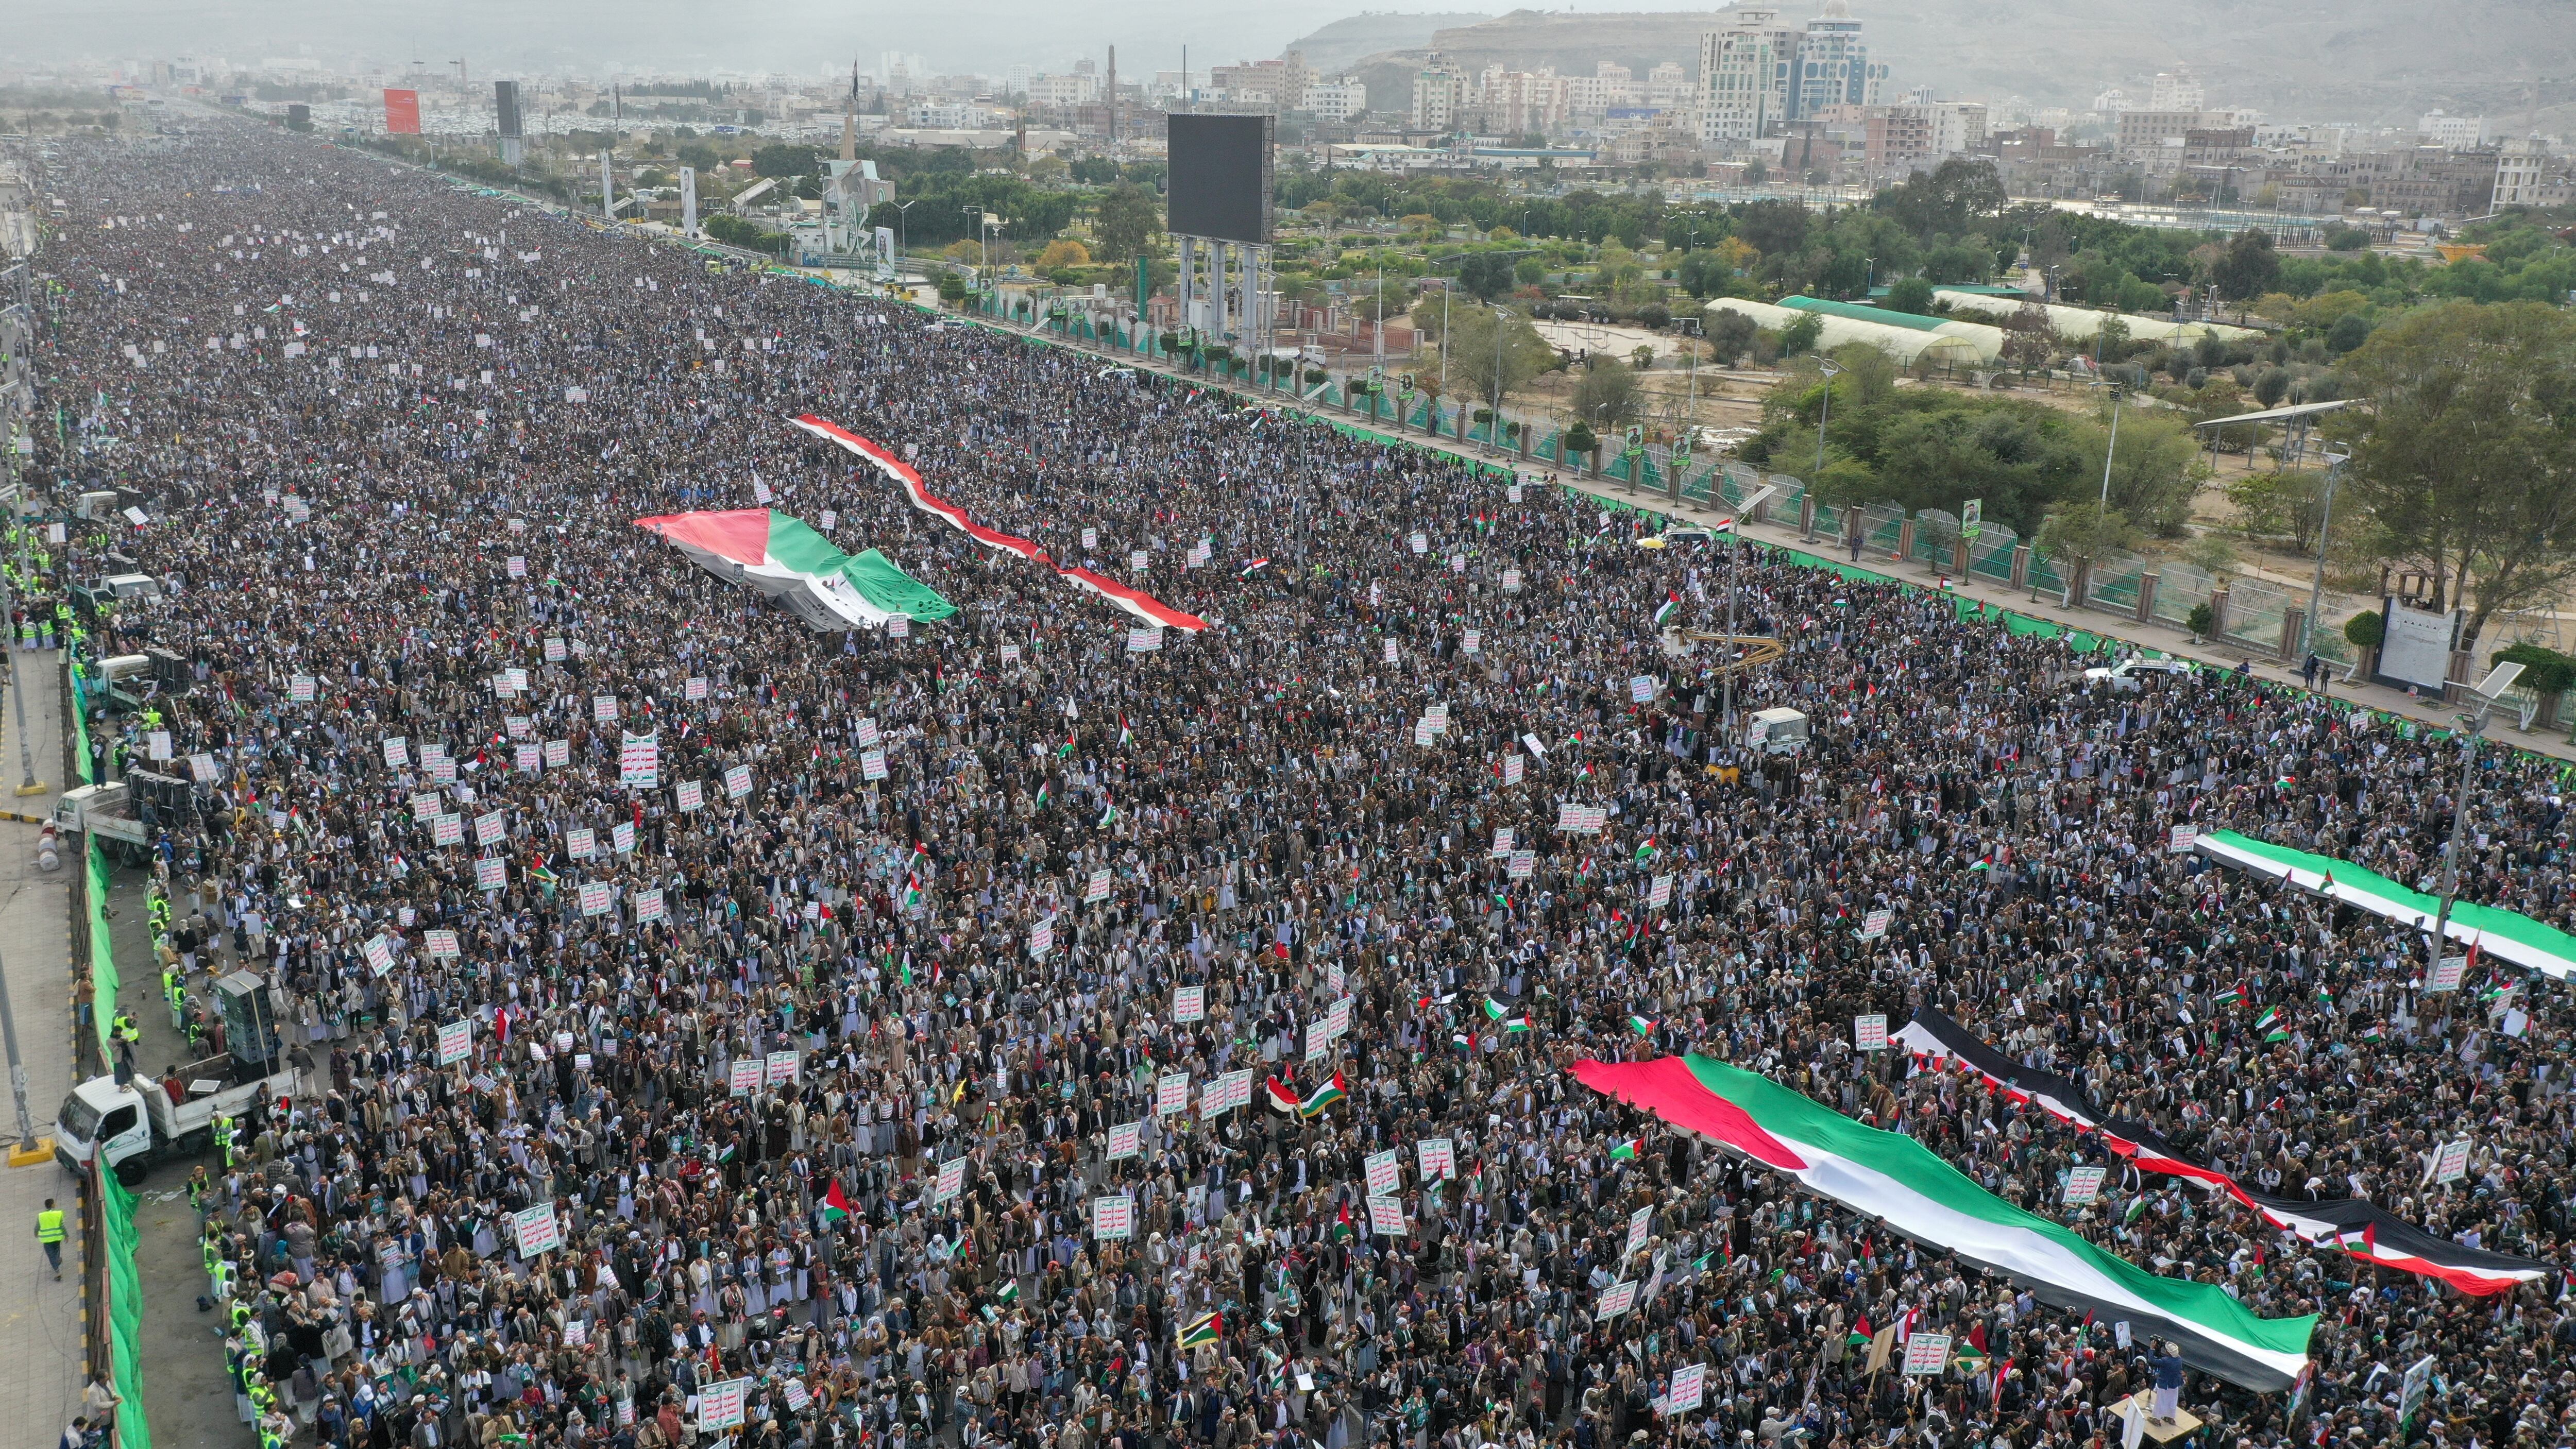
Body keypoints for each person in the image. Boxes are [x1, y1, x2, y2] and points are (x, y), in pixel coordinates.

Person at [35, 1197, 64, 1280]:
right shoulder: (58, 1214)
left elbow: (37, 1227)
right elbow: (62, 1226)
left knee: (51, 1256)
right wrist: (66, 1235)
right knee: (57, 1250)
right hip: (57, 1238)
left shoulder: (41, 1216)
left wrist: (36, 1233)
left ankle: (58, 1272)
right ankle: (58, 1260)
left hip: (47, 1240)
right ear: (52, 1205)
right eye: (54, 1203)